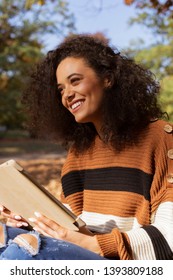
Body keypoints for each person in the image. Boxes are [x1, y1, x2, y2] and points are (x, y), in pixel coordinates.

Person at [0, 34, 173, 260]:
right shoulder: (79, 152)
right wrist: (32, 221)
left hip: (125, 263)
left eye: (75, 81)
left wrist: (91, 243)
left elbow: (169, 235)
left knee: (26, 251)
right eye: (61, 89)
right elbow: (71, 223)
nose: (67, 95)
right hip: (79, 252)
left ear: (107, 79)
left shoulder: (162, 138)